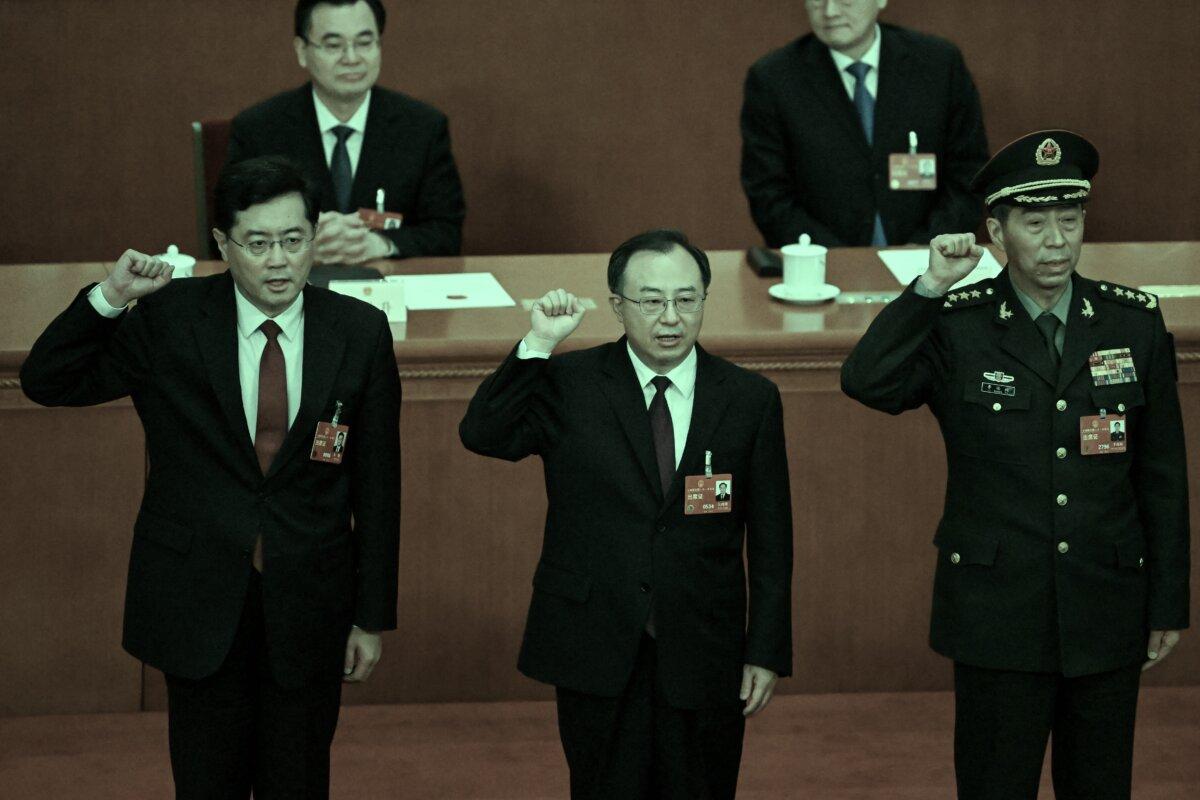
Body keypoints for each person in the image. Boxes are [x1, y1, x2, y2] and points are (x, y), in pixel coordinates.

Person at [20, 155, 402, 798]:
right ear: (224, 245)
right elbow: (47, 381)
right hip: (197, 597)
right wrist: (111, 297)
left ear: (314, 236)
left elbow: (380, 485)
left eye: (293, 239)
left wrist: (370, 616)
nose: (278, 261)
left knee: (299, 781)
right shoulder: (169, 319)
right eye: (258, 243)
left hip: (310, 600)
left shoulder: (358, 330)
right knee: (206, 784)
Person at [840, 130, 1189, 799]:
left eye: (1070, 219)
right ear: (997, 233)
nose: (1057, 241)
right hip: (997, 614)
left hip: (1105, 605)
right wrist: (930, 286)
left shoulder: (1132, 323)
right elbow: (867, 380)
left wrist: (1167, 600)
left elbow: (1162, 476)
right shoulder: (958, 323)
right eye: (1035, 224)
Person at [459, 229, 794, 798]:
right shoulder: (569, 383)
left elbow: (771, 539)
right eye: (651, 301)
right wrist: (537, 343)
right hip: (595, 642)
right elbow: (483, 433)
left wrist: (764, 650)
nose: (671, 317)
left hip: (704, 647)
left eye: (686, 299)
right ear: (617, 305)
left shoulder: (748, 398)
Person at [226, 0, 465, 264]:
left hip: (390, 282)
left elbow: (447, 232)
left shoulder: (423, 127)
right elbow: (229, 232)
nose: (351, 58)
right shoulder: (258, 130)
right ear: (302, 51)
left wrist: (380, 244)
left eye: (364, 43)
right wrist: (298, 244)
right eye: (333, 45)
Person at [740, 0, 988, 248]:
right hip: (822, 260)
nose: (830, 11)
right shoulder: (774, 79)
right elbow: (767, 192)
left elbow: (969, 171)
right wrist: (836, 259)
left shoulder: (938, 64)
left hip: (930, 254)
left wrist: (927, 246)